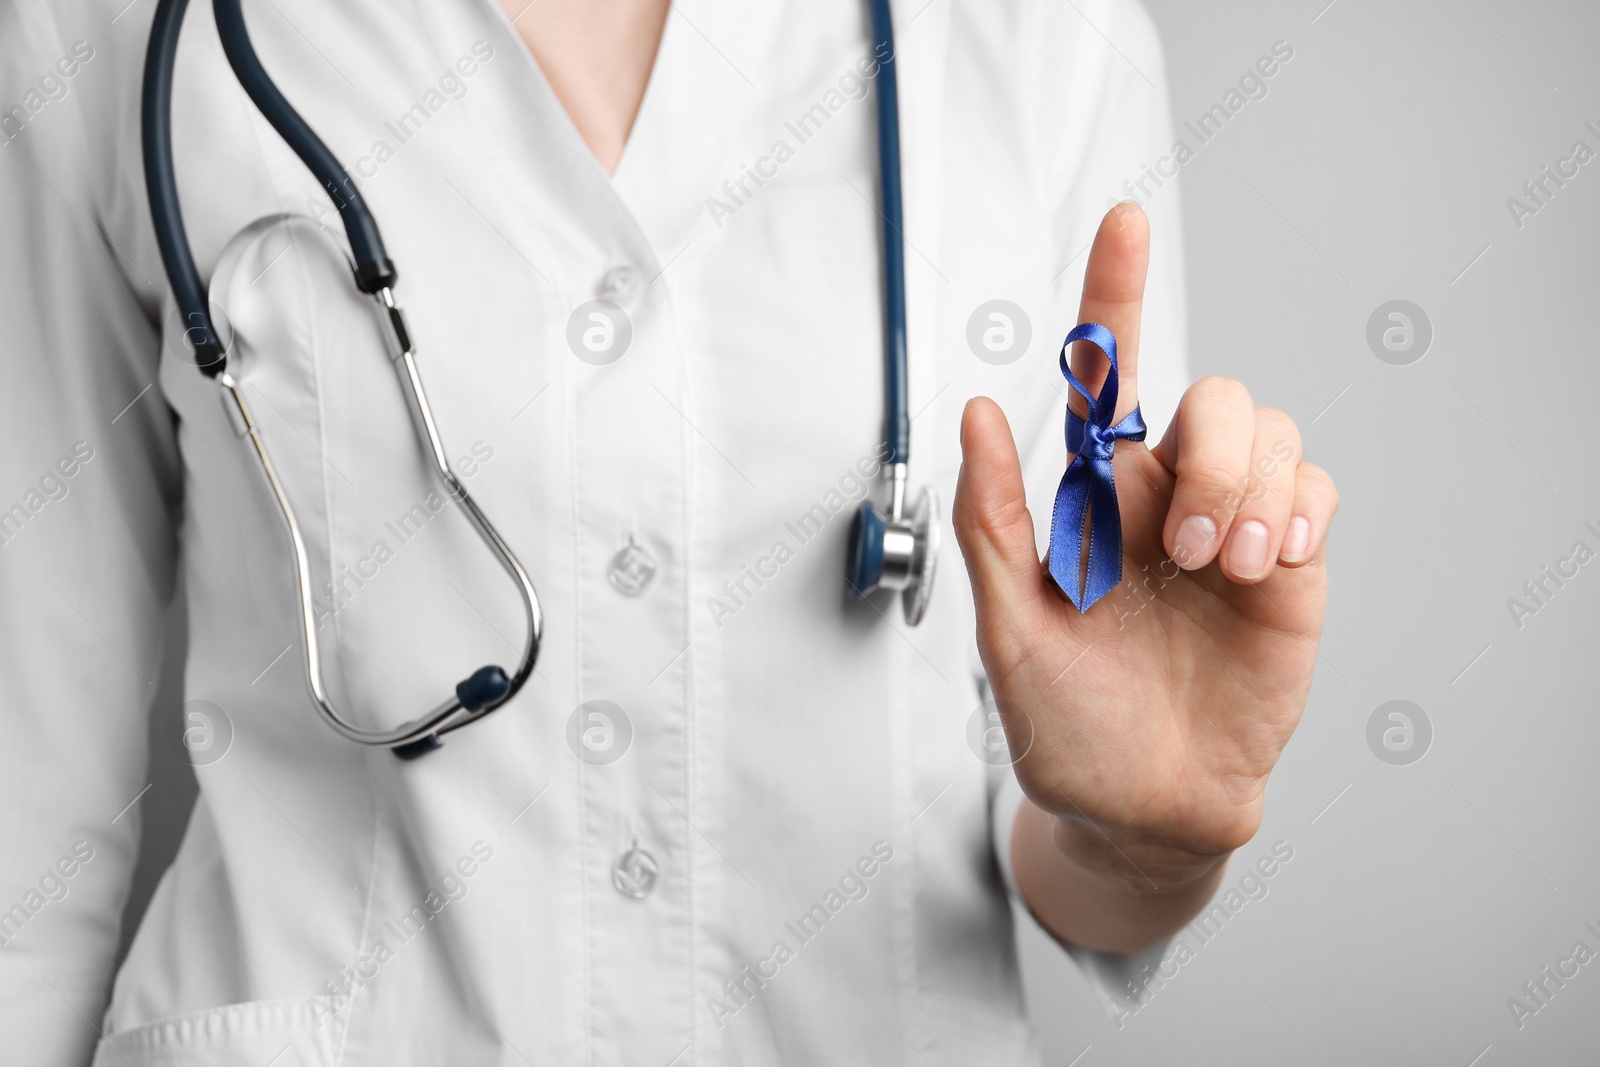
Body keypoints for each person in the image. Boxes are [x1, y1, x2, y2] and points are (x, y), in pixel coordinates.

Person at [0, 0, 1337, 1063]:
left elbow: (1062, 841)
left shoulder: (1044, 40)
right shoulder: (101, 29)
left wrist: (1147, 832)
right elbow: (27, 821)